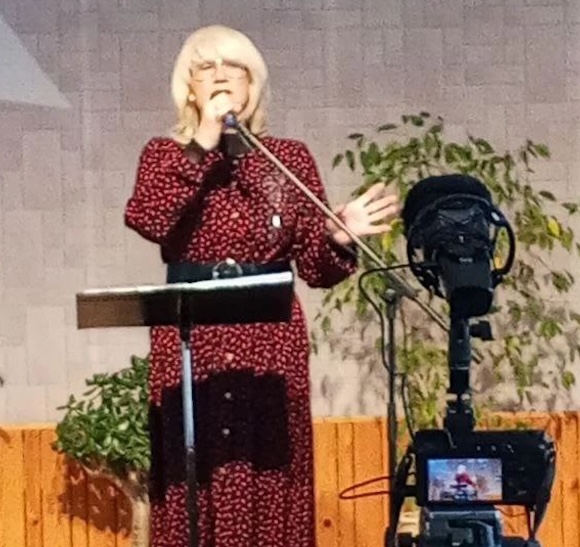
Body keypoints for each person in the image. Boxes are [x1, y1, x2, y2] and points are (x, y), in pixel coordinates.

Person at [124, 25, 398, 547]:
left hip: (269, 343)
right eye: (207, 68)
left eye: (235, 68)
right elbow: (149, 217)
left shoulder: (286, 160)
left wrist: (337, 237)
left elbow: (316, 268)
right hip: (194, 343)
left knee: (271, 472)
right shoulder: (165, 155)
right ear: (189, 88)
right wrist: (204, 141)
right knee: (194, 472)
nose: (221, 76)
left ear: (253, 86)